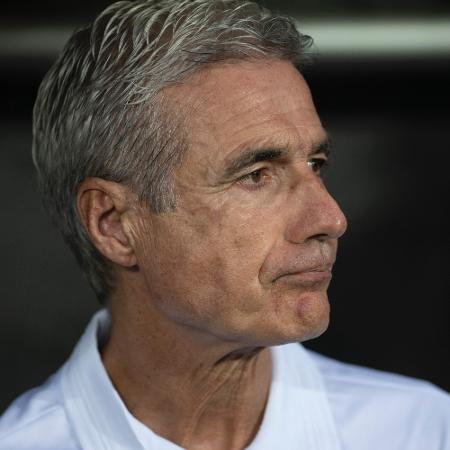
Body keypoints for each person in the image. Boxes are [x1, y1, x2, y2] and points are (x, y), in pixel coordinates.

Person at [0, 0, 449, 449]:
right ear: (114, 224)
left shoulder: (423, 430)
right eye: (256, 175)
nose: (330, 219)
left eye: (316, 163)